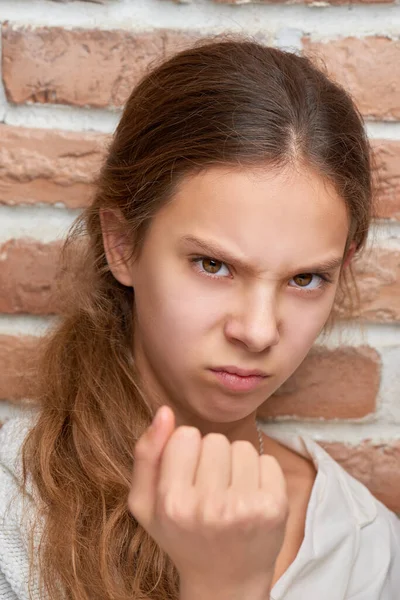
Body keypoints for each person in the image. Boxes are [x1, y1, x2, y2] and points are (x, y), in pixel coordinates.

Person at [0, 37, 399, 600]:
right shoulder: (13, 509)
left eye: (305, 279)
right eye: (213, 265)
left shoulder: (364, 548)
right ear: (121, 245)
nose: (259, 331)